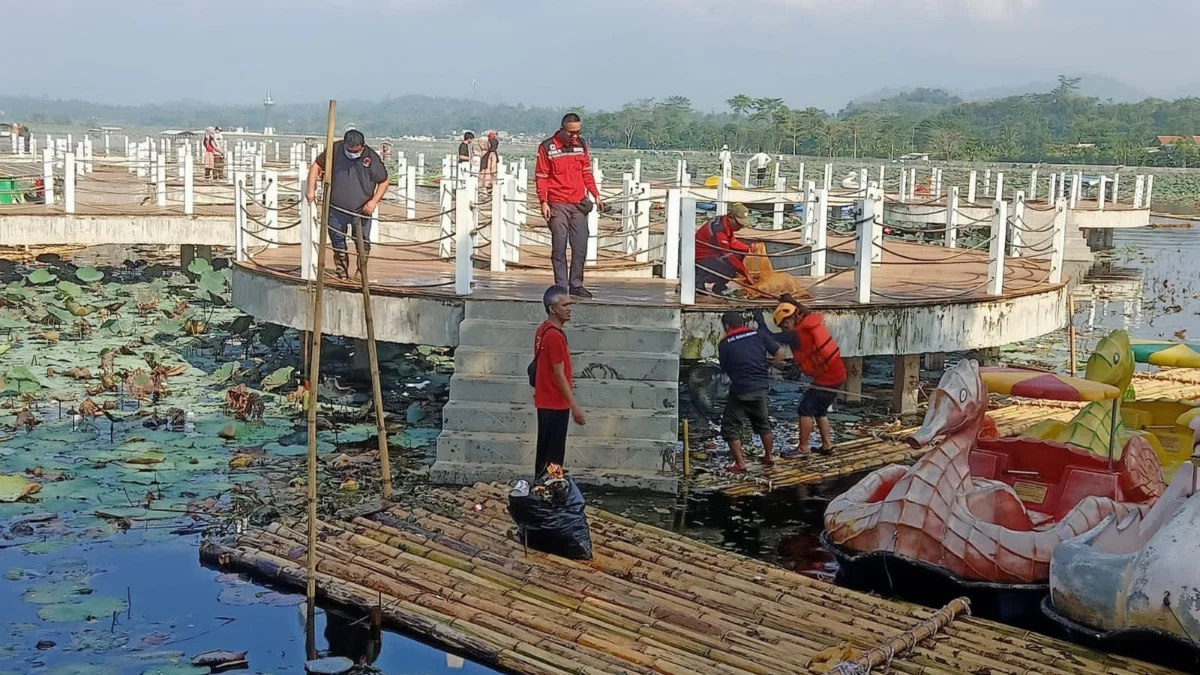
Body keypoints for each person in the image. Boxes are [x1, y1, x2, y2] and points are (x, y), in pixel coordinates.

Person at [763, 295, 846, 455]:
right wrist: (791, 300)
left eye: (783, 326)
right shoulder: (809, 321)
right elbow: (804, 310)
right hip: (837, 373)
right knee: (820, 411)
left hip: (827, 378)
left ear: (787, 322)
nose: (783, 329)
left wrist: (759, 322)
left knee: (805, 409)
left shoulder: (795, 335)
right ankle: (827, 446)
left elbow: (769, 337)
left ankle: (803, 447)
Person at [305, 129, 390, 280]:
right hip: (335, 208)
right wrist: (311, 189)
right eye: (349, 150)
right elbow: (316, 166)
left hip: (361, 209)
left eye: (356, 150)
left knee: (362, 241)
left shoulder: (371, 157)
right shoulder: (335, 150)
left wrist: (373, 202)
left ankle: (361, 273)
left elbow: (384, 181)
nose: (352, 153)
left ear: (362, 146)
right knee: (337, 240)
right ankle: (341, 271)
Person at [535, 113, 603, 299]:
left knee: (580, 245)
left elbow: (586, 172)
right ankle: (560, 286)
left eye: (578, 132)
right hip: (557, 203)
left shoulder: (581, 145)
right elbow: (541, 176)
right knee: (559, 245)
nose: (575, 136)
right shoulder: (547, 147)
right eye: (571, 133)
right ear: (562, 129)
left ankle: (576, 284)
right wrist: (543, 201)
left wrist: (595, 194)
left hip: (578, 203)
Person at [718, 311, 783, 472]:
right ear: (743, 323)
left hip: (741, 390)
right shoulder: (757, 334)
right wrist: (773, 364)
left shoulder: (724, 343)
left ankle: (740, 463)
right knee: (763, 423)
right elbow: (779, 352)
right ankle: (769, 456)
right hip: (760, 387)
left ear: (727, 326)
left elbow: (725, 368)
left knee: (730, 426)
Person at [532, 285, 585, 477]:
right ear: (552, 308)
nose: (569, 308)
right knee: (554, 455)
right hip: (555, 403)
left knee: (545, 451)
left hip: (545, 400)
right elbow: (559, 374)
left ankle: (542, 482)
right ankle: (551, 487)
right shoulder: (554, 336)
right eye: (565, 305)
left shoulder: (542, 330)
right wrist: (575, 406)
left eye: (570, 304)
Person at [695, 203, 754, 295]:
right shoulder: (719, 229)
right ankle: (698, 282)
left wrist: (749, 248)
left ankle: (718, 286)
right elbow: (727, 254)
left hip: (712, 255)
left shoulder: (724, 223)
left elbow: (732, 242)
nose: (740, 227)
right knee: (730, 269)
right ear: (730, 217)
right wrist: (745, 272)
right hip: (701, 258)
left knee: (737, 258)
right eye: (739, 223)